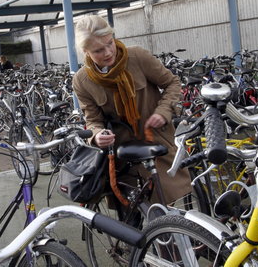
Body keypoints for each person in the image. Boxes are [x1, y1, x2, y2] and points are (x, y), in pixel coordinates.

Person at [72, 15, 191, 205]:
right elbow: (92, 119)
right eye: (98, 50)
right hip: (121, 157)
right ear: (86, 51)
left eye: (110, 43)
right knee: (130, 219)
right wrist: (96, 134)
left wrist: (163, 111)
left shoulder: (137, 57)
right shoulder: (82, 80)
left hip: (156, 143)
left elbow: (172, 83)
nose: (108, 52)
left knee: (165, 210)